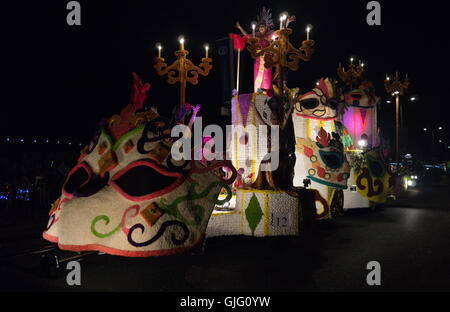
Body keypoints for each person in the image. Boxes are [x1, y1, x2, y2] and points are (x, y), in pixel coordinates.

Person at [235, 7, 295, 94]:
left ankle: (266, 95)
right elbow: (247, 35)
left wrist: (287, 22)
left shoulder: (269, 36)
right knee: (257, 80)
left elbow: (281, 31)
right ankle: (258, 94)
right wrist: (240, 27)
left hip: (267, 60)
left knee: (266, 80)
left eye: (263, 26)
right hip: (258, 61)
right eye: (259, 27)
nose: (261, 28)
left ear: (266, 28)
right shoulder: (256, 37)